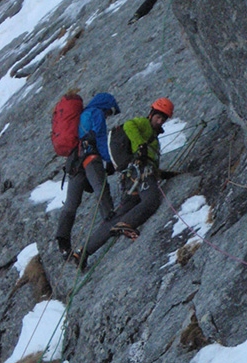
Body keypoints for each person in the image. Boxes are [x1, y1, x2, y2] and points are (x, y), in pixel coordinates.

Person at [72, 98, 175, 269]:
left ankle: (83, 251)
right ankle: (127, 224)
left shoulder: (153, 139)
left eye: (164, 119)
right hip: (140, 172)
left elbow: (150, 161)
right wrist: (141, 146)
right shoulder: (143, 124)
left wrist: (163, 174)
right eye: (158, 117)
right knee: (151, 201)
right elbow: (129, 126)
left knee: (118, 215)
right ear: (151, 114)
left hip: (131, 179)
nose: (160, 121)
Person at [55, 92, 120, 258]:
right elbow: (99, 138)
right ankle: (110, 220)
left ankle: (63, 241)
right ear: (105, 106)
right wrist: (110, 160)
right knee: (101, 188)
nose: (108, 115)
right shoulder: (96, 113)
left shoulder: (83, 115)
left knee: (71, 202)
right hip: (90, 158)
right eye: (109, 111)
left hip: (74, 162)